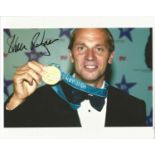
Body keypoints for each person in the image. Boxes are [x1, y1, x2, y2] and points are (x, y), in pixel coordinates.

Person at [4, 28, 146, 127]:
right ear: (71, 55)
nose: (90, 57)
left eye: (99, 49)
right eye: (81, 48)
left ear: (110, 56)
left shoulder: (134, 108)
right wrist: (17, 100)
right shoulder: (39, 100)